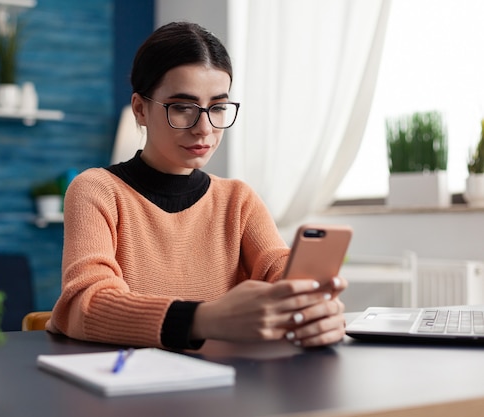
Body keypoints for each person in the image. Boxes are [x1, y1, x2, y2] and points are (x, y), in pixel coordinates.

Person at [48, 21, 347, 350]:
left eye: (217, 108)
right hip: (126, 388)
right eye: (182, 108)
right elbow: (84, 304)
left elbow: (277, 267)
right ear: (139, 109)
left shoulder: (238, 200)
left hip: (227, 387)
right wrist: (206, 319)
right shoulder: (97, 190)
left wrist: (314, 310)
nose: (204, 128)